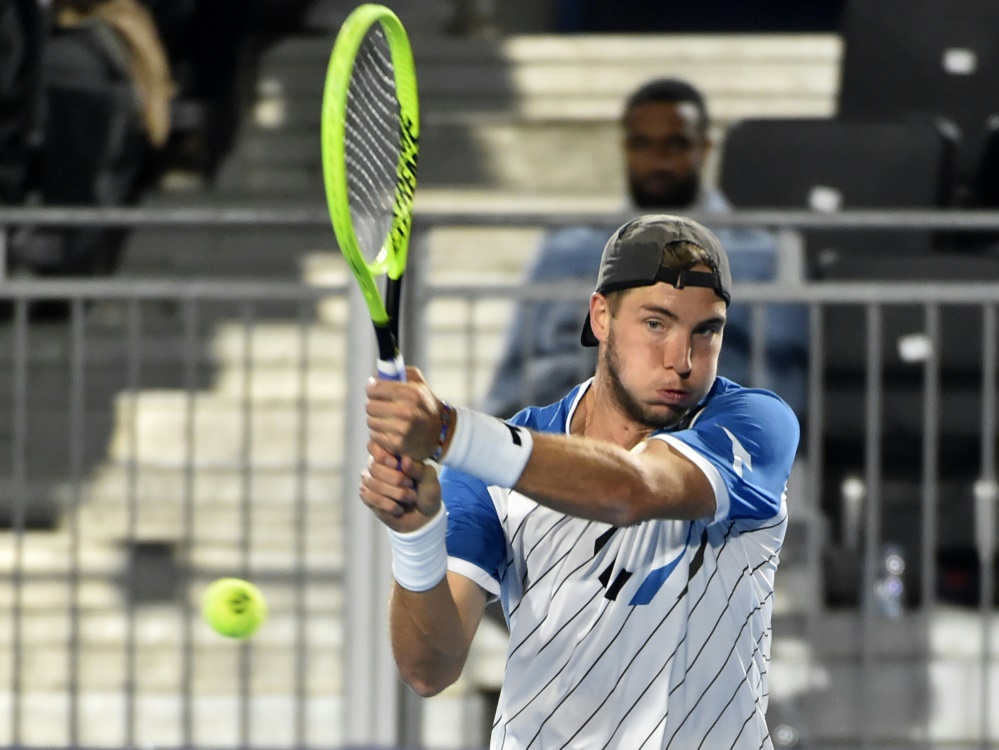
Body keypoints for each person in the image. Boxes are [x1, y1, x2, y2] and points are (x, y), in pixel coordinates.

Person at [361, 214, 800, 748]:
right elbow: (429, 667)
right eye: (656, 324)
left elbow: (631, 489)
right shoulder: (496, 467)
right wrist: (416, 535)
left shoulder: (757, 425)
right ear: (600, 317)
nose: (682, 361)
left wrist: (451, 431)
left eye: (706, 331)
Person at [481, 77, 808, 421]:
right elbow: (515, 374)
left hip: (705, 437)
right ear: (626, 148)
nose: (658, 161)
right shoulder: (567, 250)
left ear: (704, 148)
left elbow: (782, 384)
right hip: (576, 435)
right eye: (643, 145)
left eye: (674, 145)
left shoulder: (765, 255)